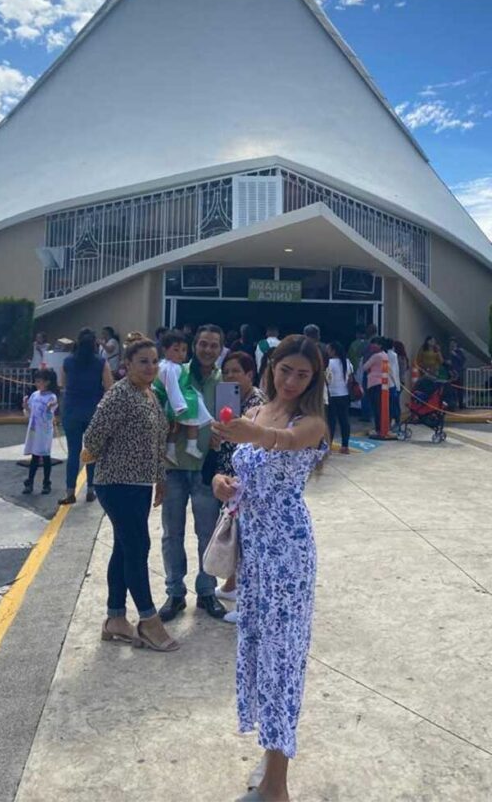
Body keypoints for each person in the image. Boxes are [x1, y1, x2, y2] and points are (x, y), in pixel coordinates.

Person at [212, 335, 327, 802]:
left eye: (304, 374)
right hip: (254, 553)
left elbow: (283, 443)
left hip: (287, 554)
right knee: (260, 655)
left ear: (315, 379)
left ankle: (276, 788)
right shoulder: (256, 410)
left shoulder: (312, 422)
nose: (293, 381)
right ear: (272, 366)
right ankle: (270, 757)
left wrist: (253, 434)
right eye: (286, 370)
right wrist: (225, 484)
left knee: (282, 662)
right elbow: (248, 470)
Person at [83, 338, 178, 653]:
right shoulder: (119, 395)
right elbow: (92, 438)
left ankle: (115, 619)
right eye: (143, 362)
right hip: (117, 484)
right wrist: (94, 456)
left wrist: (159, 479)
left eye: (154, 361)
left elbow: (157, 441)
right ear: (127, 364)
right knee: (138, 547)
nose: (150, 367)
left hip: (140, 485)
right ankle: (148, 620)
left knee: (125, 548)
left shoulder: (149, 394)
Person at [159, 324, 226, 623]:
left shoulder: (224, 379)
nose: (208, 350)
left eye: (214, 345)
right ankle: (175, 592)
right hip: (173, 467)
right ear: (194, 345)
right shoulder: (176, 371)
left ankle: (207, 591)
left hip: (205, 469)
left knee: (207, 534)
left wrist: (219, 434)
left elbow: (230, 420)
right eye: (203, 344)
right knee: (172, 533)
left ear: (220, 349)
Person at [207, 351, 265, 625]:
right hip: (229, 478)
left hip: (247, 483)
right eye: (226, 372)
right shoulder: (230, 401)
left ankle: (247, 603)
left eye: (236, 372)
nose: (230, 376)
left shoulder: (257, 405)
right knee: (239, 537)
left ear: (250, 375)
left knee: (247, 542)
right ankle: (231, 587)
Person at [59, 328, 113, 505]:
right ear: (94, 344)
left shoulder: (67, 362)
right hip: (93, 411)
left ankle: (69, 492)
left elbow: (62, 384)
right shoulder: (101, 362)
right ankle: (91, 490)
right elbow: (109, 387)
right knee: (91, 452)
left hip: (71, 411)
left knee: (73, 453)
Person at [154, 330, 212, 462]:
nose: (181, 354)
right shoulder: (170, 368)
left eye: (184, 350)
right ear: (165, 350)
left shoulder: (167, 365)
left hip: (178, 399)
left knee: (175, 427)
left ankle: (171, 450)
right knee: (192, 423)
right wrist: (179, 406)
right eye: (176, 350)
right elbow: (172, 387)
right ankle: (191, 445)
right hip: (178, 401)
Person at [22, 369, 58, 495]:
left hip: (44, 432)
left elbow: (49, 416)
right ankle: (30, 482)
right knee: (34, 456)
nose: (36, 384)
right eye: (36, 381)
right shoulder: (35, 395)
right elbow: (29, 413)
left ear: (47, 382)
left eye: (39, 381)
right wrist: (26, 406)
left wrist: (49, 408)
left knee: (45, 456)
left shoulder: (52, 397)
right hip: (34, 430)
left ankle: (46, 483)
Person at [326, 341, 352, 453]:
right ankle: (345, 446)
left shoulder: (329, 363)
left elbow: (327, 379)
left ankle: (328, 446)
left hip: (332, 394)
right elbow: (350, 378)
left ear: (333, 351)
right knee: (344, 420)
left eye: (329, 349)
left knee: (330, 422)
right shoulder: (347, 362)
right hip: (344, 394)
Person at [362, 337, 390, 434]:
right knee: (381, 407)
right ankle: (383, 427)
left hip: (373, 383)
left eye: (374, 344)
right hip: (383, 383)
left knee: (376, 408)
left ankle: (378, 428)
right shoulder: (385, 355)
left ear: (380, 345)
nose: (372, 346)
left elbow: (365, 367)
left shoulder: (375, 356)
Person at [383, 338, 401, 428]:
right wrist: (397, 383)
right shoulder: (393, 355)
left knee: (388, 405)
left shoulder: (383, 354)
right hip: (393, 383)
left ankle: (388, 422)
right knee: (395, 404)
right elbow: (395, 370)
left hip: (385, 383)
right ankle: (397, 421)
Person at [449, 337, 466, 408]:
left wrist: (455, 355)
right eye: (451, 343)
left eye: (453, 342)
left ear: (456, 344)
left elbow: (463, 360)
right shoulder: (449, 352)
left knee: (460, 388)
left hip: (459, 371)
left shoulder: (459, 351)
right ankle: (452, 404)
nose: (452, 344)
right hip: (451, 372)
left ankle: (461, 404)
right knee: (451, 389)